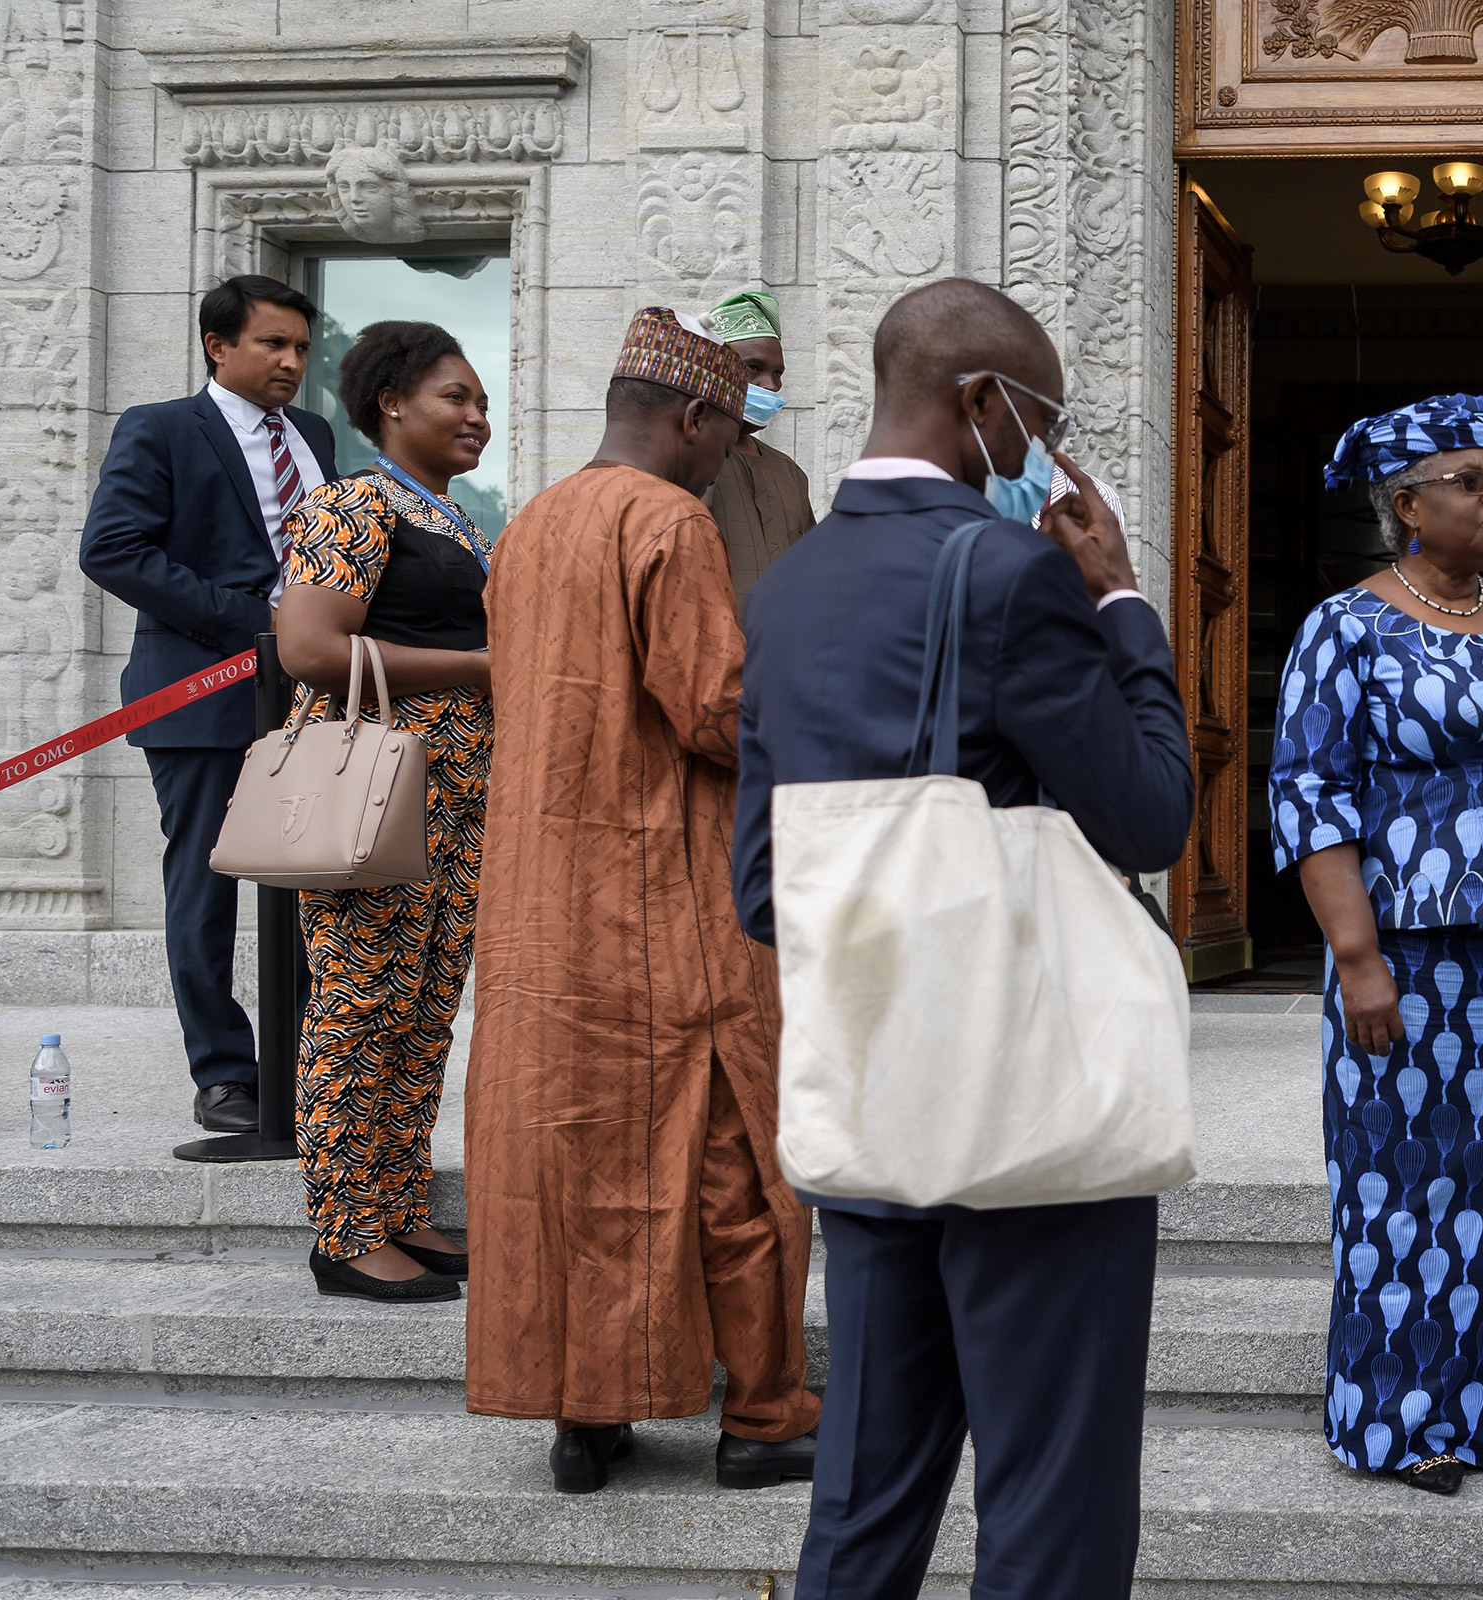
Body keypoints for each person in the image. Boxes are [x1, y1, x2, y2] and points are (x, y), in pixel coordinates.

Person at [733, 278, 1192, 1598]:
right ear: (984, 401)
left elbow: (762, 890)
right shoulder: (1011, 572)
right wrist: (1124, 607)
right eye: (1045, 421)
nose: (1047, 452)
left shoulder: (788, 585)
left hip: (875, 1094)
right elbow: (1150, 814)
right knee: (1052, 1510)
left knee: (867, 1502)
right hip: (1031, 1109)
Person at [463, 308, 821, 1494]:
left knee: (573, 1157)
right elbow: (714, 710)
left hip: (542, 908)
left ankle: (587, 1413)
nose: (730, 456)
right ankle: (764, 1414)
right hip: (665, 894)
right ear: (694, 417)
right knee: (729, 1155)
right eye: (726, 432)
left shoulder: (530, 523)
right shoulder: (669, 520)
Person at [1268, 393, 1483, 1498]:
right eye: (1468, 480)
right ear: (1408, 506)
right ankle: (1405, 1417)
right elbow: (1309, 794)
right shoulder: (1346, 628)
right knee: (1408, 1179)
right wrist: (1356, 958)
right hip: (1411, 958)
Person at [78, 274, 334, 1134]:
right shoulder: (159, 428)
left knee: (309, 886)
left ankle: (301, 1067)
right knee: (205, 887)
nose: (292, 361)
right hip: (201, 692)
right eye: (273, 344)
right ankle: (224, 1075)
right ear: (217, 346)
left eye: (301, 347)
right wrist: (253, 621)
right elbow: (112, 550)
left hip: (308, 700)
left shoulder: (314, 435)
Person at [273, 321, 494, 1304]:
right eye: (456, 397)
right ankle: (344, 1230)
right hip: (374, 793)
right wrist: (482, 669)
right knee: (358, 1008)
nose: (476, 416)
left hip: (455, 801)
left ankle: (397, 1205)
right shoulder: (351, 504)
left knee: (422, 1010)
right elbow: (311, 648)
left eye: (482, 402)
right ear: (392, 402)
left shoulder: (454, 520)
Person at [699, 289, 814, 613]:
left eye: (777, 373)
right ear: (713, 368)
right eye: (753, 368)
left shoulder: (789, 473)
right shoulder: (686, 462)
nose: (772, 386)